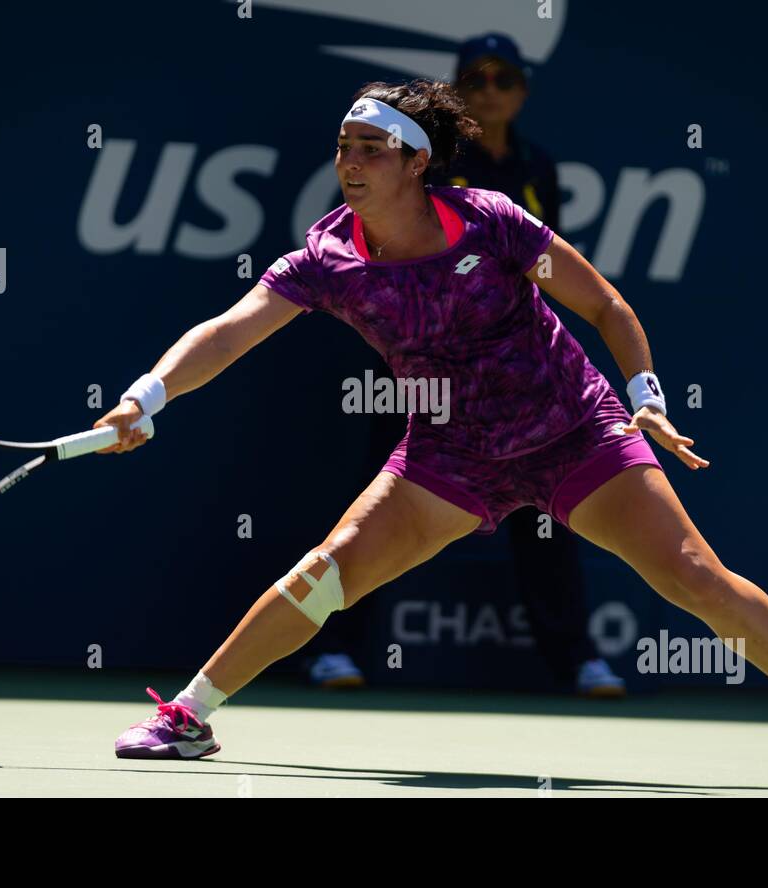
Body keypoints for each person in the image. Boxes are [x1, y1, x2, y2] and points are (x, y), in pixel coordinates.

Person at [96, 80, 768, 790]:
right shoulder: (326, 257)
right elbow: (229, 332)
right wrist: (147, 394)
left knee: (695, 575)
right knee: (324, 575)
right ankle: (188, 716)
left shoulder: (494, 223)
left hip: (576, 431)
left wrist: (646, 397)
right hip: (450, 454)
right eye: (344, 145)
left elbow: (607, 307)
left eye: (372, 148)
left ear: (417, 161)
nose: (351, 160)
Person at [301, 37, 623, 696]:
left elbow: (548, 272)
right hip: (426, 372)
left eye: (505, 79)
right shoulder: (433, 160)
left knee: (550, 521)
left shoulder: (535, 166)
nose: (491, 91)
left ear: (522, 92)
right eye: (477, 80)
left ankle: (577, 660)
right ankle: (336, 649)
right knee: (370, 521)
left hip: (523, 387)